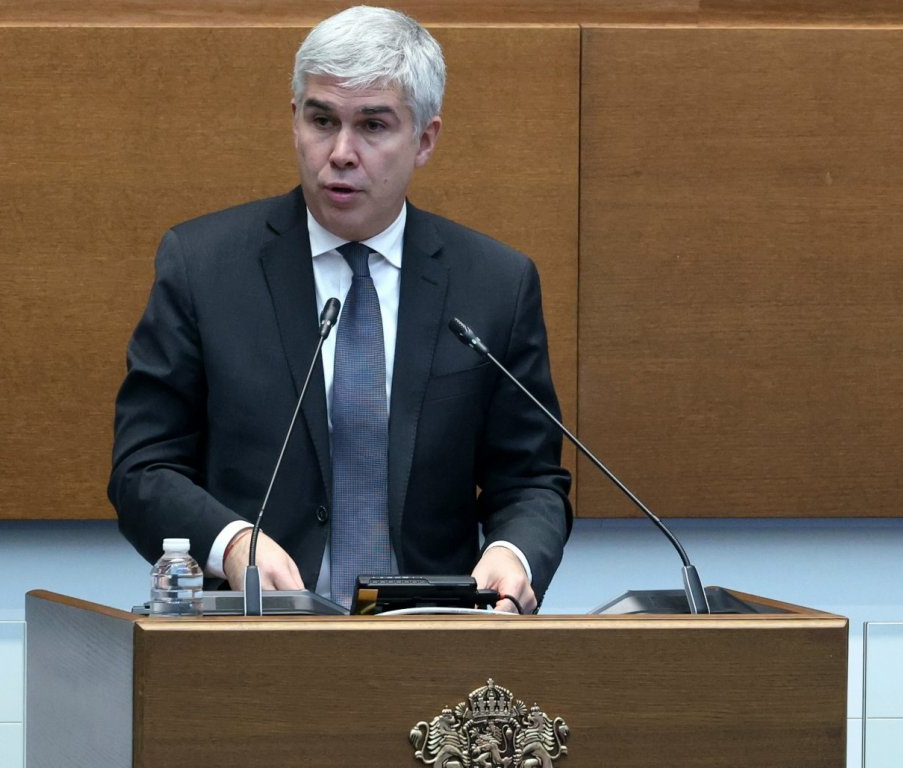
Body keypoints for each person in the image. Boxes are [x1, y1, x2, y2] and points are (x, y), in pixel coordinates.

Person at [108, 5, 570, 613]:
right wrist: (231, 543)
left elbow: (531, 480)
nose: (342, 152)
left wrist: (513, 552)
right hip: (256, 634)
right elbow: (143, 468)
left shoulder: (494, 283)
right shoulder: (205, 268)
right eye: (322, 120)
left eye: (373, 126)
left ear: (425, 139)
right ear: (294, 120)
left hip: (434, 636)